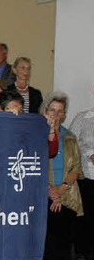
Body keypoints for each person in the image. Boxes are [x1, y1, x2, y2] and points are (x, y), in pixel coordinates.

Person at [41, 92, 84, 260]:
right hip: (44, 196)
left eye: (60, 111)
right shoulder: (37, 134)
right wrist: (51, 191)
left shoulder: (70, 137)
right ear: (45, 110)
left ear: (65, 114)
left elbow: (76, 168)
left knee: (64, 247)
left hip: (67, 197)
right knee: (46, 246)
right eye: (52, 110)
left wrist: (61, 189)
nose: (56, 115)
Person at [69, 105, 94, 260]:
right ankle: (82, 253)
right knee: (85, 217)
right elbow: (70, 143)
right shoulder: (82, 117)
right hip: (86, 177)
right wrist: (89, 153)